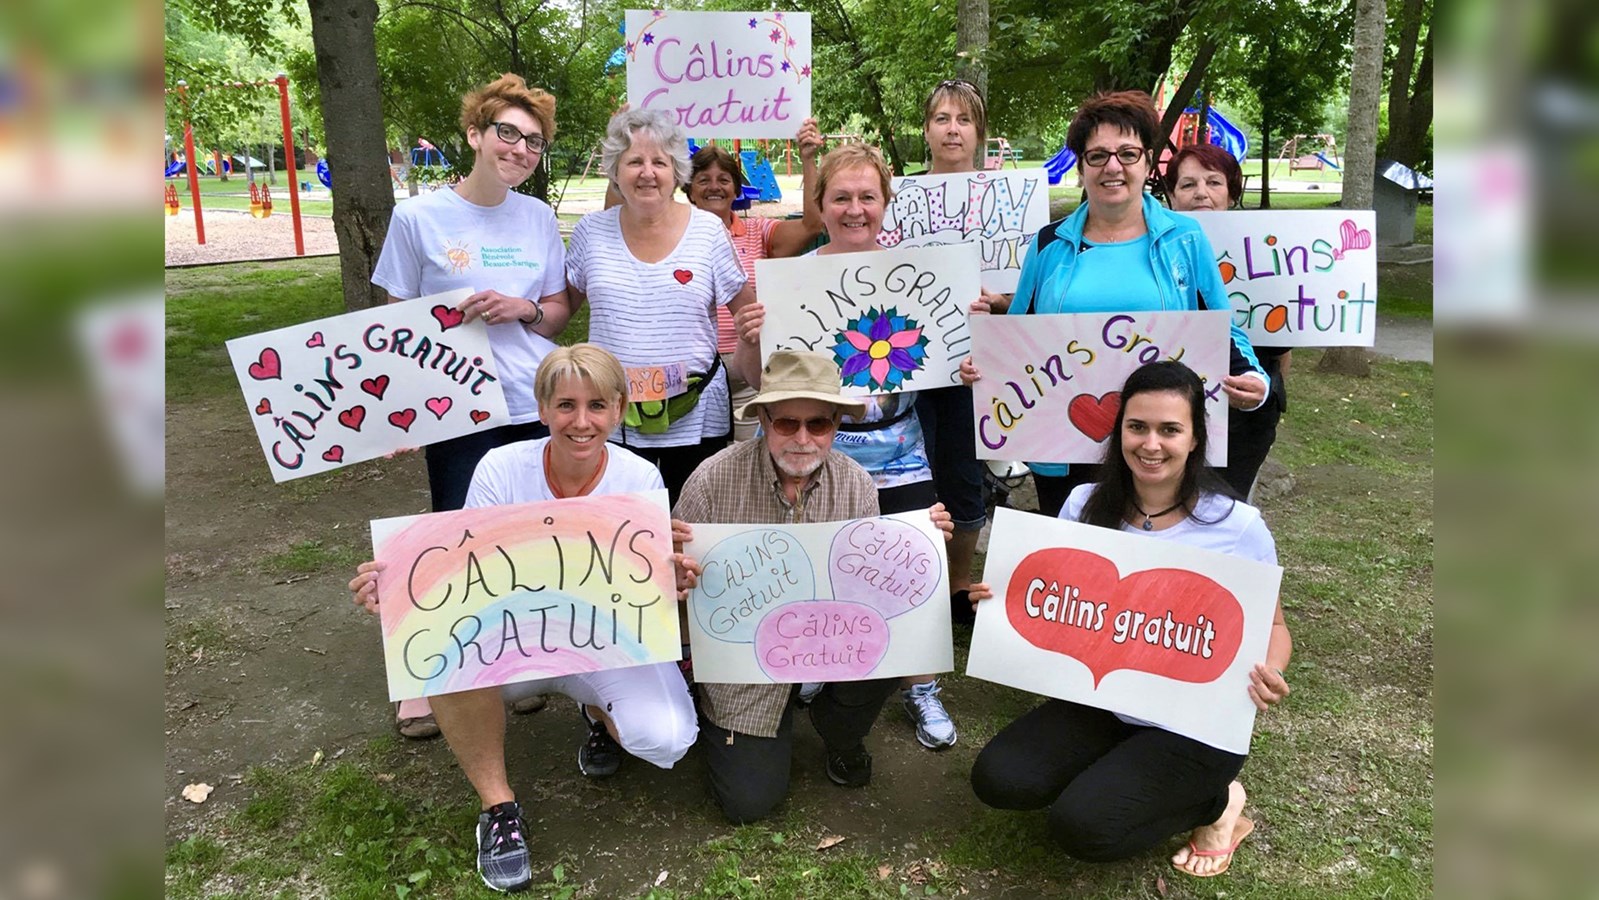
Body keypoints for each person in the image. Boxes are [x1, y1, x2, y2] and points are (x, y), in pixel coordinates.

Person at [348, 345, 699, 893]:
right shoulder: (501, 467)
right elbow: (462, 570)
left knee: (668, 739)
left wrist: (669, 580)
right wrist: (396, 589)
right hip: (513, 645)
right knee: (443, 653)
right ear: (541, 409)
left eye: (597, 406)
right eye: (565, 405)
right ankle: (498, 806)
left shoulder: (639, 477)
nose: (581, 422)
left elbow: (641, 586)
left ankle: (595, 709)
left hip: (597, 640)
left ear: (619, 409)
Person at [967, 360, 1292, 878]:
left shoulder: (1237, 527)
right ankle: (1121, 770)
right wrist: (1002, 598)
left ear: (1195, 438)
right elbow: (1055, 599)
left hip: (1194, 722)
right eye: (1137, 426)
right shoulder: (1083, 504)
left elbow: (1273, 627)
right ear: (1118, 431)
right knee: (999, 780)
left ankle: (1218, 803)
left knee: (1084, 828)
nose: (1151, 444)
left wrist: (1270, 670)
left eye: (1170, 429)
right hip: (1104, 701)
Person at [734, 142, 961, 750]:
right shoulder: (789, 279)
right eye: (841, 197)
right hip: (808, 452)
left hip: (899, 453)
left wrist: (968, 357)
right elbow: (754, 380)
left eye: (867, 196)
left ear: (886, 203)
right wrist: (752, 340)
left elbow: (952, 361)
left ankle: (919, 683)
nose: (855, 209)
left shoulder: (921, 276)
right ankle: (815, 660)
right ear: (820, 203)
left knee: (911, 567)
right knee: (810, 567)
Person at [371, 73, 575, 739]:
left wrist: (523, 308)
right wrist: (398, 410)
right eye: (507, 133)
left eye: (534, 141)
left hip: (529, 399)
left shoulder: (538, 217)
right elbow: (395, 324)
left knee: (521, 534)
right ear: (474, 135)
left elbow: (555, 312)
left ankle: (510, 665)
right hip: (455, 404)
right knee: (454, 534)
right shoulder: (418, 218)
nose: (520, 149)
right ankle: (428, 679)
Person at [673, 350, 954, 824]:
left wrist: (920, 551)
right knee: (748, 803)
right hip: (743, 663)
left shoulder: (857, 483)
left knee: (893, 646)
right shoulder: (711, 480)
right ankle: (729, 719)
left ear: (837, 424)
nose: (802, 439)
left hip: (828, 649)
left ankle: (840, 730)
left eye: (818, 424)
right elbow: (672, 582)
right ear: (763, 419)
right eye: (786, 423)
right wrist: (676, 574)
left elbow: (871, 592)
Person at [962, 90, 1269, 519]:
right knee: (1074, 550)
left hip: (1155, 445)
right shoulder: (1049, 244)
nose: (1112, 167)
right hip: (1062, 445)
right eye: (1097, 155)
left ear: (1147, 161)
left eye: (1127, 153)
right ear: (1080, 166)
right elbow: (1019, 336)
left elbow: (1221, 328)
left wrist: (1254, 377)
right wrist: (986, 368)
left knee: (1150, 548)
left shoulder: (1185, 238)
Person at [565, 109, 757, 502]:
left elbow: (748, 314)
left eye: (659, 162)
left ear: (677, 171)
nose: (647, 173)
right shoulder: (590, 232)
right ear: (615, 171)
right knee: (620, 526)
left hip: (697, 417)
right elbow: (559, 310)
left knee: (690, 526)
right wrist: (523, 310)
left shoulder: (708, 230)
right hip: (610, 419)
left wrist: (754, 335)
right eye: (634, 161)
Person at [914, 79, 997, 635]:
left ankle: (957, 589)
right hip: (912, 363)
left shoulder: (1005, 202)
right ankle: (916, 584)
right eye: (942, 118)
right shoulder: (900, 200)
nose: (952, 129)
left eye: (963, 120)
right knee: (916, 474)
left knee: (966, 476)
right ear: (926, 130)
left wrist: (1000, 302)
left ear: (978, 132)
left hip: (979, 366)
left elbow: (1024, 290)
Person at [682, 121, 825, 440]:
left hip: (748, 369)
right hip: (694, 373)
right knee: (700, 458)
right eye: (703, 180)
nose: (714, 187)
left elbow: (813, 225)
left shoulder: (758, 231)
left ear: (736, 189)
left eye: (724, 180)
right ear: (689, 190)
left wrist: (807, 159)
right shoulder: (673, 236)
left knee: (750, 455)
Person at [1163, 142, 1288, 500]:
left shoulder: (1267, 252)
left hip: (1241, 406)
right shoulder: (1156, 249)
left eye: (1214, 182)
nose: (1201, 192)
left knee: (1223, 507)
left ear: (1232, 193)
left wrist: (1267, 398)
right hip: (1172, 395)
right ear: (1171, 196)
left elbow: (1282, 350)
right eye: (1188, 184)